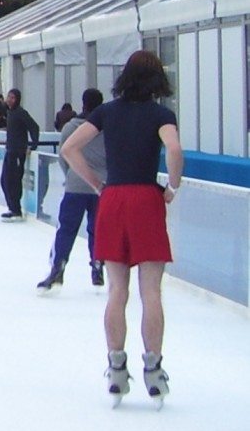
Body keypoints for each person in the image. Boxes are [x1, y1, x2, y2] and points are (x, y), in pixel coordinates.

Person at [60, 50, 183, 407]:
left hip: (113, 200)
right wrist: (172, 186)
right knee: (151, 292)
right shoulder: (162, 114)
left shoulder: (107, 112)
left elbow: (69, 147)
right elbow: (173, 149)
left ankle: (116, 366)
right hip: (146, 199)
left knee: (117, 289)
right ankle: (154, 369)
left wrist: (97, 183)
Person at [38, 88, 108, 294]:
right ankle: (97, 265)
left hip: (75, 186)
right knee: (97, 229)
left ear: (83, 103)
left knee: (66, 229)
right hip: (101, 188)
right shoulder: (108, 128)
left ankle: (58, 267)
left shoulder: (72, 127)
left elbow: (64, 154)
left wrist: (72, 175)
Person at [1, 89, 40, 221]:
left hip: (17, 152)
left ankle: (16, 210)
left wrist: (33, 144)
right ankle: (12, 207)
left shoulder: (20, 113)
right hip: (10, 151)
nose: (9, 99)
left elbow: (34, 127)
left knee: (14, 181)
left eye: (12, 97)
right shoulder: (10, 113)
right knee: (5, 180)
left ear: (17, 99)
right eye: (9, 97)